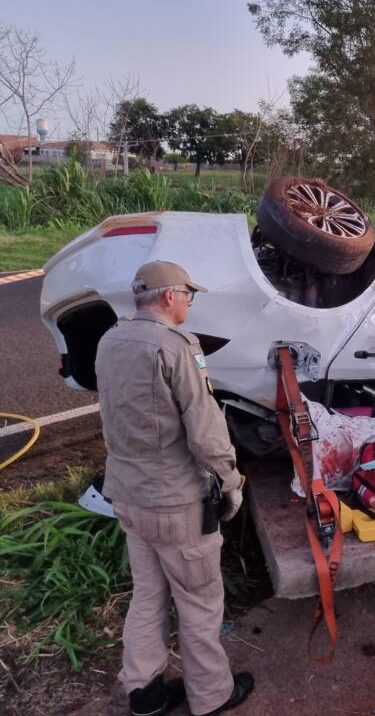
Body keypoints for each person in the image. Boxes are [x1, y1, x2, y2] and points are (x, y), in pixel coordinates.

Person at [95, 261, 254, 716]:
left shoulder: (112, 340)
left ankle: (143, 692)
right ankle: (212, 695)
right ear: (169, 296)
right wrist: (229, 480)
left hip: (127, 492)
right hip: (175, 501)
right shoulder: (178, 345)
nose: (189, 303)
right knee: (200, 601)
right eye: (188, 295)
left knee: (147, 594)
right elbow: (204, 430)